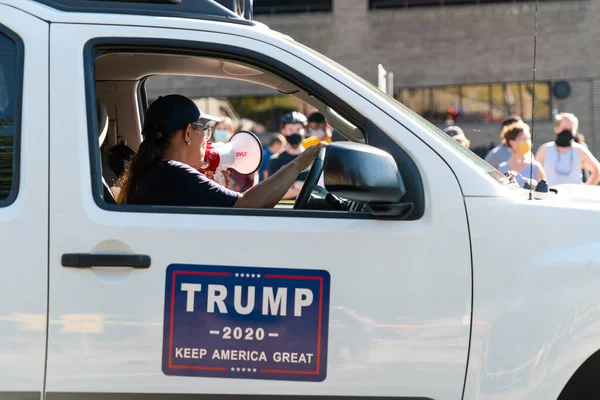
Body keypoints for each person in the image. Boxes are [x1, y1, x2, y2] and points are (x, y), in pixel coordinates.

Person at [116, 94, 324, 207]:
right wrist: (298, 164)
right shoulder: (175, 173)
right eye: (204, 130)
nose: (207, 139)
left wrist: (211, 186)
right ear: (188, 133)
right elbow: (248, 206)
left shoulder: (156, 170)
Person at [536, 112, 600, 186]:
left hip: (574, 196)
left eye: (570, 129)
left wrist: (585, 189)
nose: (566, 132)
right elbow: (535, 172)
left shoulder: (580, 150)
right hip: (551, 195)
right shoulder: (545, 149)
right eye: (564, 129)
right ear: (557, 129)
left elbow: (597, 170)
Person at [211, 117, 257, 192]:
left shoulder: (239, 152)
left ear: (231, 132)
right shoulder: (207, 151)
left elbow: (251, 178)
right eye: (219, 128)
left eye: (225, 129)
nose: (221, 131)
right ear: (214, 131)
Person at [497, 121, 546, 187]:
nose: (528, 142)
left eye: (528, 139)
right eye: (523, 139)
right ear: (512, 142)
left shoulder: (535, 167)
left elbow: (545, 192)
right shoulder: (502, 168)